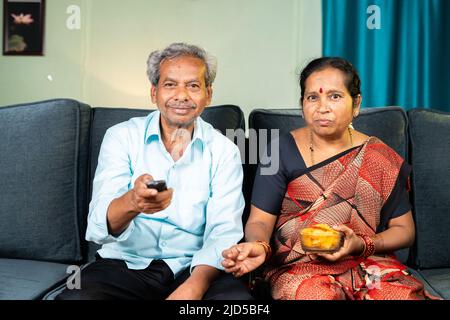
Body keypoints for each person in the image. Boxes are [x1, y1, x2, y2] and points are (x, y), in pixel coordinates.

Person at [222, 57, 440, 300]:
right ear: (302, 103)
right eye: (312, 97)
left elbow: (404, 230)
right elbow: (259, 222)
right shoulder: (279, 150)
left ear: (356, 103)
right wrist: (260, 246)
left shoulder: (378, 157)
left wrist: (361, 244)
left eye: (334, 96)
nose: (322, 107)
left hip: (366, 263)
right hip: (298, 269)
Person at [57, 43, 252, 300]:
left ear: (209, 94)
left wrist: (195, 286)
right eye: (170, 84)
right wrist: (133, 202)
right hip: (124, 265)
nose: (181, 95)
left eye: (193, 86)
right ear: (154, 92)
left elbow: (223, 232)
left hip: (194, 266)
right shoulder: (121, 137)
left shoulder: (225, 151)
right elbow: (97, 227)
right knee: (75, 297)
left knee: (238, 304)